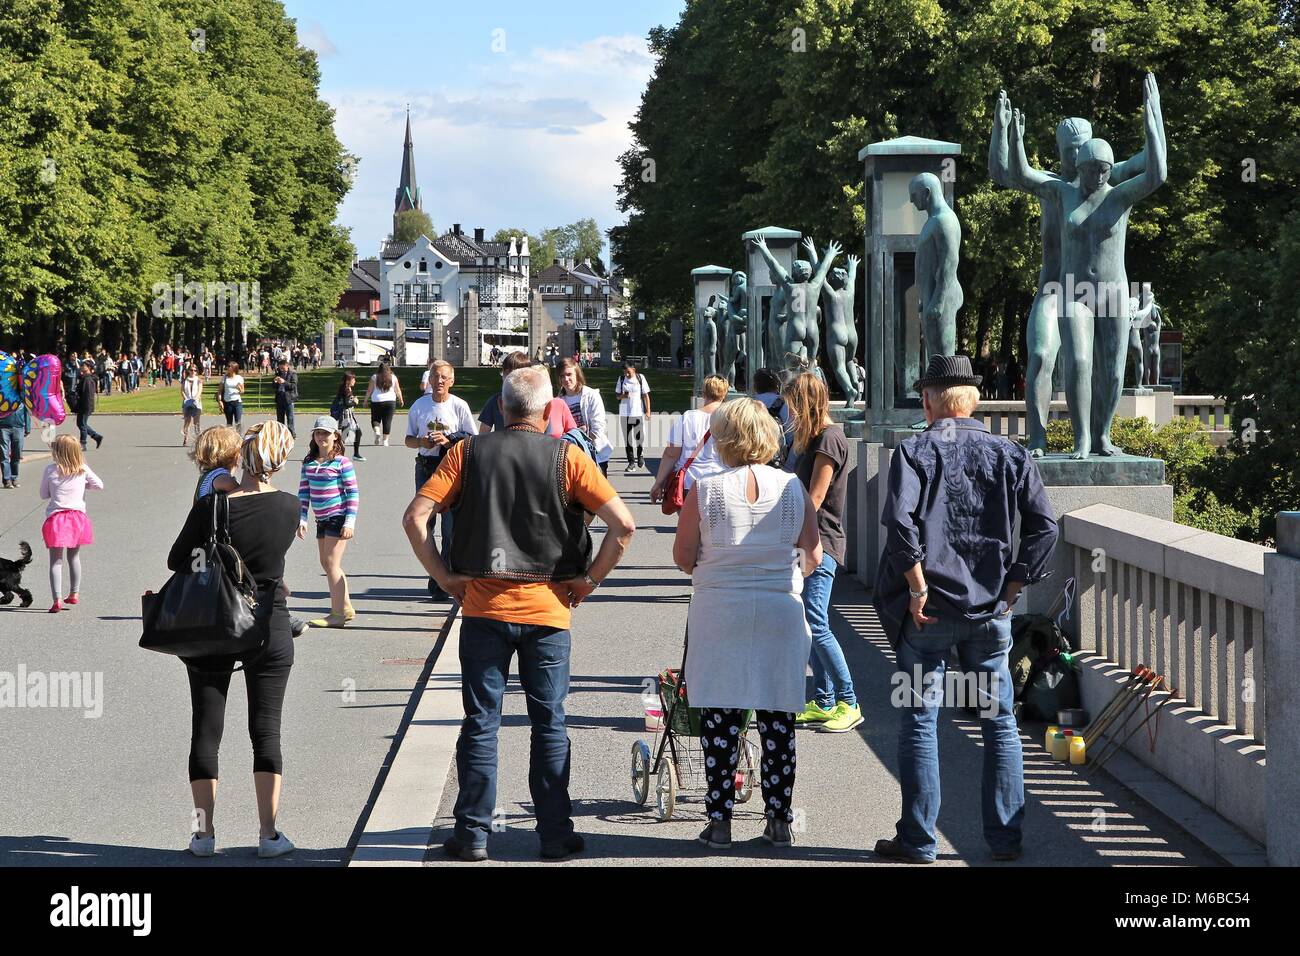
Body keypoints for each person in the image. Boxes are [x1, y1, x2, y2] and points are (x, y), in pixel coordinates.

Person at [401, 366, 636, 861]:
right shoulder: (568, 456)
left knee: (480, 722)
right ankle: (553, 834)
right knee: (549, 722)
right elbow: (624, 525)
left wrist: (444, 577)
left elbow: (415, 517)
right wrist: (589, 580)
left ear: (501, 407)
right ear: (550, 409)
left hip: (484, 606)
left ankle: (472, 836)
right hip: (549, 608)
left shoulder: (466, 453)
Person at [873, 355, 1059, 864]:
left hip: (928, 611)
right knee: (999, 722)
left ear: (931, 401)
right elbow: (1045, 526)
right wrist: (1016, 585)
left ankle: (918, 842)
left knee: (919, 721)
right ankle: (1004, 840)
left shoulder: (914, 451)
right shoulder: (1009, 452)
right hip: (990, 610)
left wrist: (914, 587)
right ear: (973, 400)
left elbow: (902, 526)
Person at [672, 397, 821, 849]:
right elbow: (812, 556)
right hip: (780, 610)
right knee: (778, 720)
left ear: (725, 439)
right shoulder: (794, 487)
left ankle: (719, 821)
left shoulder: (706, 491)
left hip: (721, 610)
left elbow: (683, 557)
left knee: (721, 717)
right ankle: (779, 820)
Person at [169, 420, 300, 859]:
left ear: (241, 454)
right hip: (268, 623)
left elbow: (178, 559)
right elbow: (271, 561)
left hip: (214, 623)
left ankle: (203, 835)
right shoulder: (289, 506)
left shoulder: (213, 506)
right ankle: (268, 834)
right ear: (281, 460)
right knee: (267, 732)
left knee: (206, 730)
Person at [780, 372, 861, 732]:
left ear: (804, 403)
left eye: (792, 405)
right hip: (810, 540)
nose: (789, 413)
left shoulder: (829, 439)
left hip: (820, 541)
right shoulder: (819, 437)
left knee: (816, 621)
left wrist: (787, 533)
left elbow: (815, 498)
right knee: (808, 621)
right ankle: (825, 699)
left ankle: (849, 700)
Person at [405, 359, 476, 600]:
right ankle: (436, 575)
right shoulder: (419, 405)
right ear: (429, 380)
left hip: (451, 469)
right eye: (435, 376)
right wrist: (422, 443)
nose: (440, 381)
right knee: (424, 525)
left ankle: (443, 581)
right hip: (426, 467)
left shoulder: (459, 406)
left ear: (452, 381)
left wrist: (449, 440)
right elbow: (408, 440)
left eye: (444, 377)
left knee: (450, 528)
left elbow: (472, 439)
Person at [296, 416, 359, 629]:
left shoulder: (342, 462)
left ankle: (337, 614)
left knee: (332, 564)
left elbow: (352, 493)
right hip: (320, 518)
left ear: (335, 436)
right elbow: (304, 492)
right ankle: (346, 606)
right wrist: (302, 518)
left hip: (338, 517)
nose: (321, 436)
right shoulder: (309, 462)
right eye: (318, 433)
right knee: (327, 563)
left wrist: (349, 522)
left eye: (326, 433)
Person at [40, 435, 103, 613]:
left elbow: (43, 494)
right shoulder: (82, 469)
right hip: (77, 518)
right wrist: (83, 487)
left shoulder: (51, 469)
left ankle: (57, 599)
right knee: (74, 557)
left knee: (55, 561)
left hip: (57, 519)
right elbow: (99, 485)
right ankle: (74, 593)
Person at [650, 374, 726, 506]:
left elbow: (671, 454)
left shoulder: (687, 417)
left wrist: (659, 482)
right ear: (724, 394)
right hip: (721, 480)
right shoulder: (730, 419)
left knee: (688, 526)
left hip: (690, 481)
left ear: (703, 393)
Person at [480, 352, 577, 438]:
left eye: (514, 374)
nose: (509, 379)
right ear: (501, 405)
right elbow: (482, 436)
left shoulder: (538, 401)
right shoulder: (494, 401)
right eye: (506, 374)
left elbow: (569, 433)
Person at [556, 358, 612, 475]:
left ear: (577, 374)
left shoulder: (591, 395)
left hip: (596, 455)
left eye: (569, 374)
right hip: (570, 458)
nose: (566, 379)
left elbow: (598, 427)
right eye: (562, 376)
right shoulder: (558, 401)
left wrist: (580, 439)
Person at [615, 361, 651, 473]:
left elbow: (645, 395)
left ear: (634, 370)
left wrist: (648, 411)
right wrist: (623, 396)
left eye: (628, 372)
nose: (626, 375)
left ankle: (640, 455)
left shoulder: (640, 378)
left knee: (639, 438)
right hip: (624, 414)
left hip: (637, 413)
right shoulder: (621, 379)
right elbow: (617, 397)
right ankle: (631, 463)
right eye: (625, 373)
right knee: (628, 440)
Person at [364, 361, 403, 446]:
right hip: (390, 401)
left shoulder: (374, 377)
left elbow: (369, 390)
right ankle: (385, 441)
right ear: (389, 369)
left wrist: (365, 400)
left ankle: (377, 431)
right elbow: (397, 389)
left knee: (375, 419)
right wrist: (401, 399)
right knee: (387, 421)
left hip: (376, 401)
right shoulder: (393, 377)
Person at [330, 372, 365, 461]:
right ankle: (336, 453)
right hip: (346, 416)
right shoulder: (346, 389)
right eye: (353, 379)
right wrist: (355, 401)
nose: (355, 381)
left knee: (348, 435)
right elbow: (346, 403)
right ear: (348, 380)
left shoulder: (346, 388)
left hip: (348, 416)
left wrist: (352, 399)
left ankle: (338, 453)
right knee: (351, 434)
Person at [75, 359, 104, 451]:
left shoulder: (88, 379)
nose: (81, 367)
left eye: (83, 366)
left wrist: (84, 406)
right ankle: (96, 437)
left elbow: (86, 394)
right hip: (83, 404)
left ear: (88, 368)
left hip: (85, 405)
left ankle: (83, 443)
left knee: (82, 424)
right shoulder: (84, 378)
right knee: (80, 423)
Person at [0, 400, 29, 490]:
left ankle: (14, 477)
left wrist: (27, 427)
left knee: (16, 454)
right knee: (4, 454)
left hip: (18, 427)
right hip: (3, 427)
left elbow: (26, 411)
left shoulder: (21, 394)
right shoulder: (3, 393)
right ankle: (7, 479)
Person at [273, 359, 298, 438]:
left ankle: (291, 434)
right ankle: (281, 433)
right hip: (280, 398)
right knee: (280, 418)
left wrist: (284, 382)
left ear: (287, 366)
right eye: (280, 368)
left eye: (283, 368)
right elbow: (273, 386)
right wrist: (275, 382)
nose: (282, 370)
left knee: (290, 418)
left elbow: (293, 386)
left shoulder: (292, 374)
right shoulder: (278, 374)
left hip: (288, 398)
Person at [181, 362, 204, 446]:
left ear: (197, 371)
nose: (193, 371)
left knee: (196, 422)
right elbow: (182, 390)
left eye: (195, 370)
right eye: (191, 370)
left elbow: (200, 391)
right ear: (188, 371)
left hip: (196, 403)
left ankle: (198, 439)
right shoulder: (185, 380)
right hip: (187, 402)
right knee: (187, 421)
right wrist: (185, 398)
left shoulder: (199, 380)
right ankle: (185, 438)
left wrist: (196, 398)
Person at [218, 361, 245, 427]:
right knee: (229, 423)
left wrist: (239, 389)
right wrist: (220, 401)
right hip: (227, 402)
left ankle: (238, 437)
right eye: (228, 366)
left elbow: (242, 391)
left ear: (234, 368)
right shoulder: (224, 377)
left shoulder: (239, 378)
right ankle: (230, 437)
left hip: (237, 402)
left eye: (230, 366)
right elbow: (219, 391)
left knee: (238, 422)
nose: (228, 368)